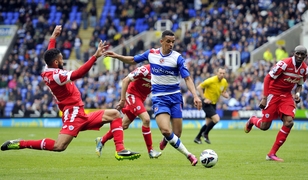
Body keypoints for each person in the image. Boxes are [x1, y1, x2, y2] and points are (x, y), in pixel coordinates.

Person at [0, 25, 141, 161]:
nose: (63, 60)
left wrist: (53, 37)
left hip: (79, 112)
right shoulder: (56, 76)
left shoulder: (48, 68)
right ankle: (20, 143)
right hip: (72, 112)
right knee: (59, 146)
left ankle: (120, 150)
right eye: (61, 59)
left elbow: (50, 52)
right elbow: (79, 73)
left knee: (115, 114)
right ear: (56, 62)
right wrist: (95, 57)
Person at [105, 30, 202, 166]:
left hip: (175, 98)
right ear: (161, 41)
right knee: (166, 130)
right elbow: (133, 60)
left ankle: (165, 140)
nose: (171, 44)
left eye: (173, 42)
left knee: (177, 133)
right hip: (159, 99)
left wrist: (196, 96)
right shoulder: (152, 54)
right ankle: (189, 155)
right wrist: (116, 56)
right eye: (168, 41)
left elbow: (187, 78)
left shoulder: (178, 58)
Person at [244, 45, 308, 162]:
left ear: (306, 56)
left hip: (287, 96)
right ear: (294, 53)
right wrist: (264, 97)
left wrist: (297, 95)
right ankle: (252, 120)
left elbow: (300, 85)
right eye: (297, 53)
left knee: (289, 122)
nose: (299, 56)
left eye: (302, 54)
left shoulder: (304, 69)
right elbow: (267, 78)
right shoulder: (284, 63)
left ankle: (271, 154)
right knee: (265, 126)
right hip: (273, 94)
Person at [95, 64, 162, 159]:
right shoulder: (145, 70)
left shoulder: (163, 73)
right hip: (132, 95)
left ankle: (101, 140)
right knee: (146, 119)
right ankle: (151, 151)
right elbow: (125, 80)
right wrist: (122, 100)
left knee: (123, 125)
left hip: (141, 99)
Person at [194, 67, 229, 144]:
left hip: (213, 104)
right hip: (206, 103)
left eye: (223, 73)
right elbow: (199, 87)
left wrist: (225, 95)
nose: (222, 75)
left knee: (207, 124)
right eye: (220, 73)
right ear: (217, 73)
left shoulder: (224, 82)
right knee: (216, 119)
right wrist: (204, 98)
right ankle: (205, 134)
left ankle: (197, 138)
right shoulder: (211, 80)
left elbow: (222, 91)